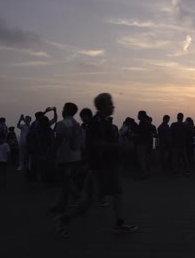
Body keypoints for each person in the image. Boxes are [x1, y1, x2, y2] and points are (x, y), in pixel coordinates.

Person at [55, 93, 138, 237]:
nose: (113, 106)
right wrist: (120, 146)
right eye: (110, 103)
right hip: (102, 167)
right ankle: (119, 224)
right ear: (101, 106)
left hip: (104, 166)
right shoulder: (97, 123)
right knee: (108, 195)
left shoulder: (103, 122)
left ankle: (65, 219)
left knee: (95, 198)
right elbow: (97, 144)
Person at [50, 102, 83, 230]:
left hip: (65, 157)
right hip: (76, 156)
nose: (62, 110)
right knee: (67, 180)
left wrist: (52, 154)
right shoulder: (76, 123)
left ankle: (79, 198)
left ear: (66, 110)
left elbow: (58, 140)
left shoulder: (62, 124)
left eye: (63, 108)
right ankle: (61, 204)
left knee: (65, 181)